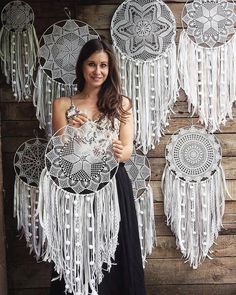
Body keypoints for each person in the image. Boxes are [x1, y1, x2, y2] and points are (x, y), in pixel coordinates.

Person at [50, 38, 146, 295]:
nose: (98, 71)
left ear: (110, 68)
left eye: (103, 65)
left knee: (116, 250)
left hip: (113, 185)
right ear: (82, 67)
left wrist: (120, 152)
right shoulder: (62, 105)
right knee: (79, 246)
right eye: (92, 64)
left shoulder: (122, 103)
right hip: (77, 189)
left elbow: (127, 149)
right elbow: (59, 155)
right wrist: (71, 130)